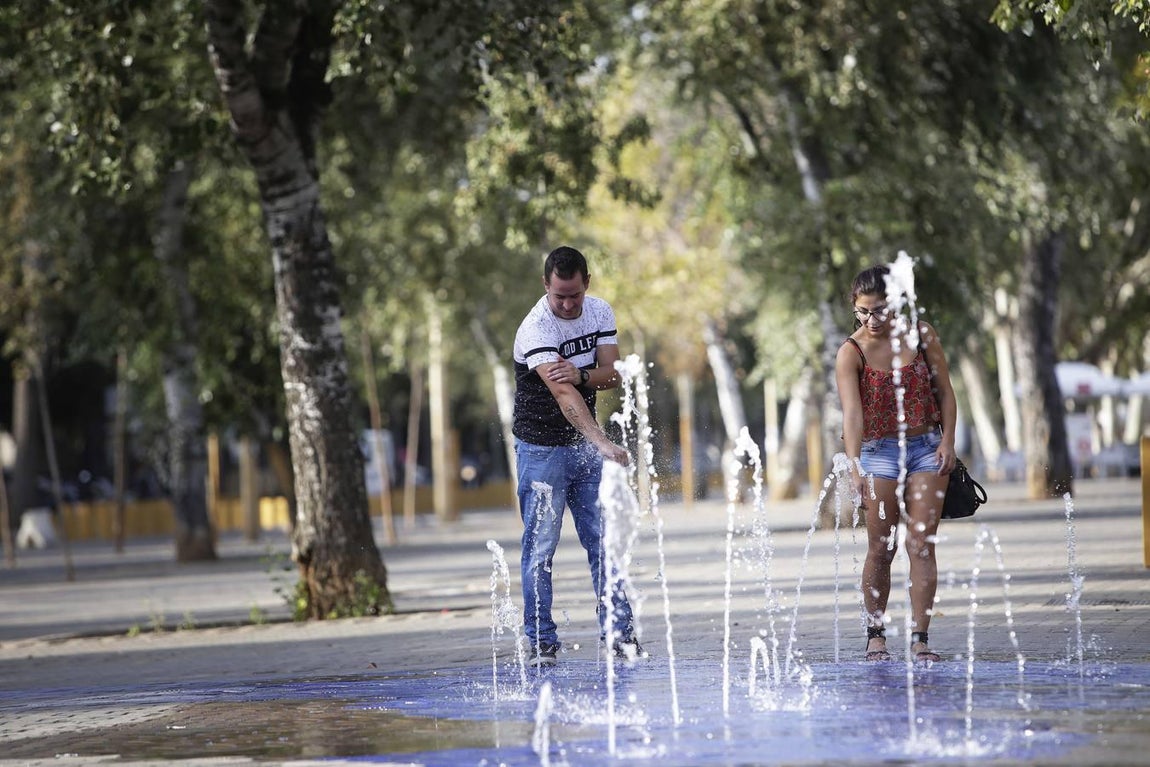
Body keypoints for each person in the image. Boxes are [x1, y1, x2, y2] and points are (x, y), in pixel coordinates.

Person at [512, 245, 643, 667]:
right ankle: (540, 642)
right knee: (541, 547)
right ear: (545, 287)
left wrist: (584, 372)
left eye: (574, 295)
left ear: (587, 283)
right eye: (558, 297)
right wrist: (602, 443)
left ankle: (619, 636)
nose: (567, 305)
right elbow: (565, 395)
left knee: (604, 541)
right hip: (541, 451)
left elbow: (612, 375)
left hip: (582, 448)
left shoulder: (600, 312)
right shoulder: (537, 329)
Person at [834, 264, 958, 664]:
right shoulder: (850, 352)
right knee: (881, 547)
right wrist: (854, 467)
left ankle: (921, 638)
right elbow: (852, 416)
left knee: (920, 543)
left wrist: (948, 442)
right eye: (863, 311)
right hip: (877, 454)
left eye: (881, 310)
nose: (872, 320)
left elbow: (947, 393)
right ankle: (876, 635)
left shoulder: (922, 336)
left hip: (925, 448)